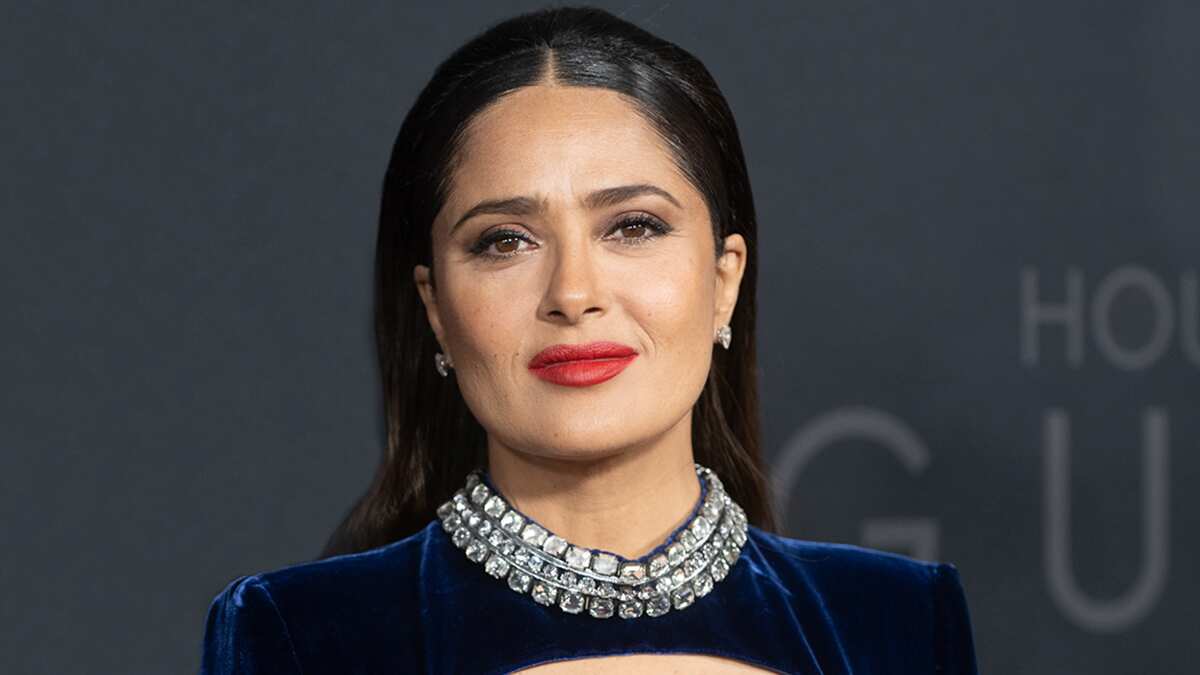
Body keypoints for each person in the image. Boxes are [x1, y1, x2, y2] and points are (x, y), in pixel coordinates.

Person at [200, 5, 979, 673]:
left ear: (725, 279)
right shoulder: (300, 634)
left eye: (633, 226)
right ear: (435, 306)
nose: (573, 293)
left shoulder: (898, 621)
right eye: (505, 241)